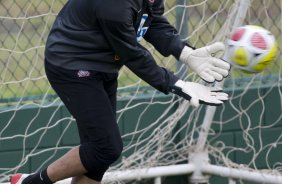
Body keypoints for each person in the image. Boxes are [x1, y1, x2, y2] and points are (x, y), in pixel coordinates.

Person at [10, 0, 230, 183]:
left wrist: (184, 52)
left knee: (98, 155)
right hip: (71, 64)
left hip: (103, 65)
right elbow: (132, 54)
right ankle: (30, 183)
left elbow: (152, 23)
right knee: (106, 148)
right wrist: (177, 84)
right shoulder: (114, 4)